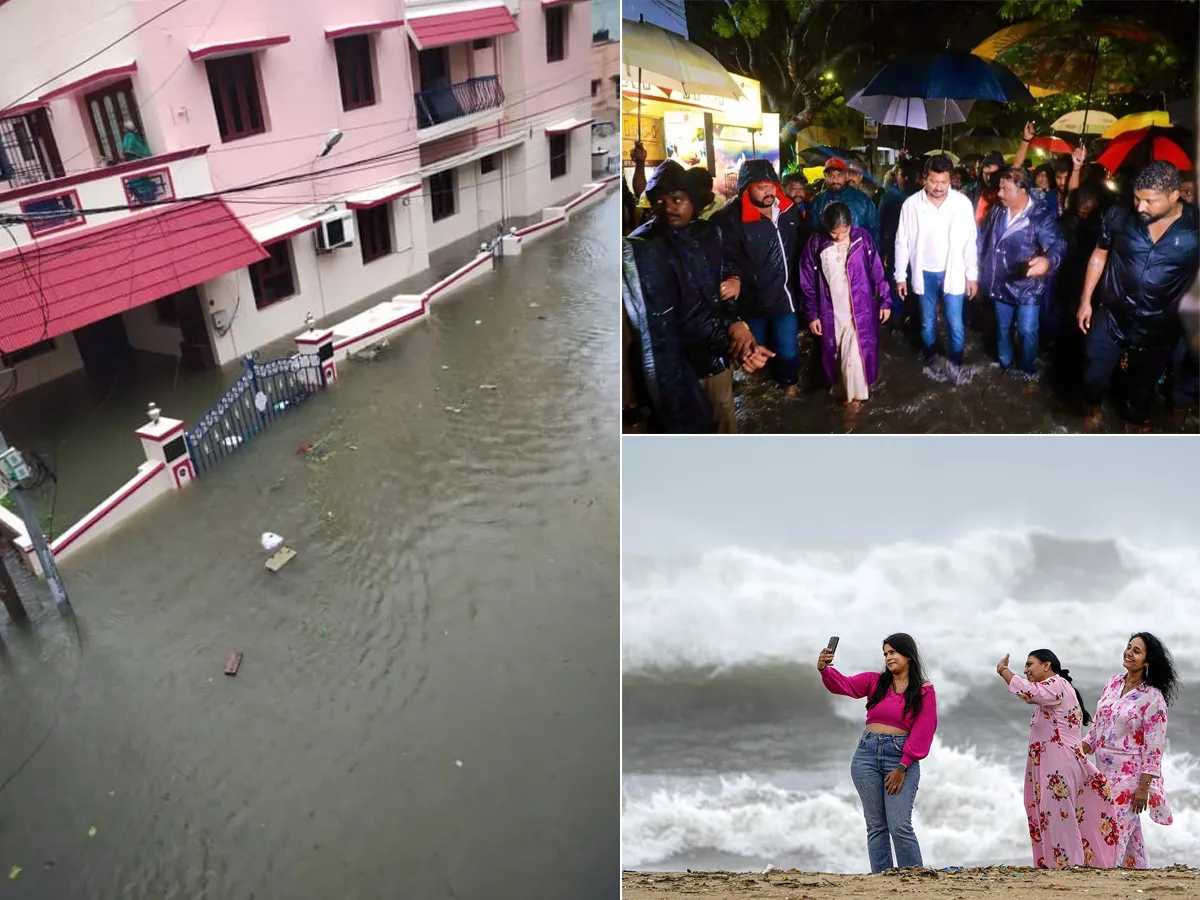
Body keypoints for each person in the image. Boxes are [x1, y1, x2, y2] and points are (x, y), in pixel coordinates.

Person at [623, 160, 771, 432]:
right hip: (670, 367)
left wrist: (734, 289)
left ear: (692, 199)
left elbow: (723, 274)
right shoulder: (639, 249)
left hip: (712, 358)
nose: (668, 208)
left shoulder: (709, 233)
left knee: (722, 421)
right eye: (660, 201)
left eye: (677, 199)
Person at [1076, 161, 1200, 430]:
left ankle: (1136, 424)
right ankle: (1095, 409)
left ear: (1174, 195)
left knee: (1141, 388)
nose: (1139, 206)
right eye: (1136, 197)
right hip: (1111, 316)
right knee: (1092, 374)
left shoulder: (1195, 227)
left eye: (1149, 201)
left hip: (1160, 328)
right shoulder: (1119, 214)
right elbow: (1100, 252)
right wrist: (1086, 300)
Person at [818, 634, 937, 874]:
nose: (888, 657)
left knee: (899, 825)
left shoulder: (924, 690)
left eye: (893, 652)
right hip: (866, 755)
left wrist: (902, 767)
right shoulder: (876, 682)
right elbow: (845, 685)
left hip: (900, 757)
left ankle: (914, 877)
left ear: (908, 655)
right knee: (876, 826)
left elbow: (924, 731)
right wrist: (824, 669)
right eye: (885, 653)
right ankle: (883, 878)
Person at [995, 650, 1122, 870]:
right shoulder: (1052, 691)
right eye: (1024, 666)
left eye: (1029, 664)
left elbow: (1028, 692)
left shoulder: (1057, 684)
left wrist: (1004, 671)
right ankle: (1059, 863)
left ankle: (1067, 865)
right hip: (1051, 764)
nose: (1026, 670)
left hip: (1059, 764)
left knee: (1057, 814)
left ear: (1047, 665)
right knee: (1049, 813)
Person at [712, 159, 808, 396]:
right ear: (746, 188)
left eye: (772, 185)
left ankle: (789, 389)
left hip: (785, 298)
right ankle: (758, 396)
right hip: (751, 302)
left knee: (788, 350)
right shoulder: (728, 219)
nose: (769, 192)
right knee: (754, 352)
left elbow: (802, 245)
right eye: (761, 187)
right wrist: (733, 278)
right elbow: (725, 258)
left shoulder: (788, 210)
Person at [1082, 633, 1178, 869]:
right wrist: (1078, 751)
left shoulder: (1153, 698)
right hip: (1102, 771)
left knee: (1113, 828)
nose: (1129, 653)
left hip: (1130, 776)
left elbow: (1154, 747)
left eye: (1137, 651)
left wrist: (1144, 786)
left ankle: (1106, 872)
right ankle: (1137, 871)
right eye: (1128, 647)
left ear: (1147, 661)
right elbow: (1097, 727)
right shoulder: (1113, 682)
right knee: (1126, 830)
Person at [800, 202, 891, 414]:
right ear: (826, 227)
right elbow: (807, 282)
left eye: (845, 232)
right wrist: (812, 314)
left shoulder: (863, 239)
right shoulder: (816, 244)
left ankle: (853, 404)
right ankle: (843, 392)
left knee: (855, 354)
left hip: (860, 310)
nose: (841, 237)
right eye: (835, 232)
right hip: (832, 311)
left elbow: (876, 270)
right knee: (838, 353)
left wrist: (885, 300)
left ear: (852, 225)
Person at [977, 166, 1066, 379]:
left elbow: (1059, 244)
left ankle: (1027, 370)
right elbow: (980, 238)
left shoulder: (1040, 216)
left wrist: (1048, 260)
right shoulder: (998, 211)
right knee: (1002, 328)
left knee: (1027, 331)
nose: (999, 194)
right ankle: (1006, 366)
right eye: (1000, 188)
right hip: (1000, 282)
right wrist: (971, 269)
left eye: (1005, 190)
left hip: (1028, 287)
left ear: (1022, 190)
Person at [894, 153, 979, 367]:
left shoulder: (961, 204)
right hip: (924, 272)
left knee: (955, 323)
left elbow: (970, 241)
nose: (939, 187)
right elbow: (901, 242)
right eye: (933, 181)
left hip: (954, 272)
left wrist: (972, 275)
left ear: (950, 179)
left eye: (944, 182)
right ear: (924, 178)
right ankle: (931, 359)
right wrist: (900, 276)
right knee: (927, 321)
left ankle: (956, 364)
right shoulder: (911, 205)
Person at [878, 158, 922, 327]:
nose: (907, 179)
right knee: (896, 284)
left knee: (917, 287)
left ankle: (915, 321)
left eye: (910, 175)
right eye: (903, 175)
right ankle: (896, 321)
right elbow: (880, 225)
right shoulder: (888, 198)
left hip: (918, 251)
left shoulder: (922, 196)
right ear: (896, 175)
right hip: (895, 250)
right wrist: (882, 253)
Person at [809, 158, 880, 245]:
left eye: (839, 175)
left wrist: (873, 256)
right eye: (831, 176)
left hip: (857, 254)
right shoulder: (817, 202)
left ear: (846, 176)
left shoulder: (863, 200)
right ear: (825, 176)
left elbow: (875, 231)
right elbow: (813, 236)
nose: (835, 180)